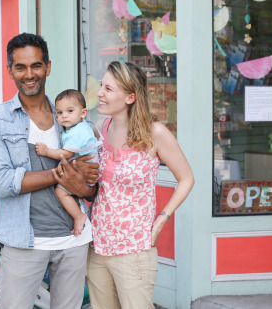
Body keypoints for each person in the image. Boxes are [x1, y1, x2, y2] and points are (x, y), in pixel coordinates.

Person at [0, 33, 99, 309]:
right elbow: (3, 182)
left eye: (36, 65)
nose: (29, 74)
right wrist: (62, 174)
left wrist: (83, 184)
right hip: (24, 241)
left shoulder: (71, 118)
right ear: (10, 70)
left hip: (72, 238)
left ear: (48, 67)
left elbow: (91, 185)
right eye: (20, 67)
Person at [84, 61, 195, 309]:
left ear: (130, 97)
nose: (100, 93)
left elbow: (187, 178)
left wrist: (162, 218)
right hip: (98, 245)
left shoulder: (155, 133)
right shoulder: (101, 128)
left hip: (134, 249)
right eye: (102, 86)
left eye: (108, 89)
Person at [35, 89, 101, 236]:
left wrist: (47, 151)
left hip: (88, 170)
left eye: (70, 111)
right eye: (59, 112)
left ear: (83, 113)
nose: (64, 116)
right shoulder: (76, 128)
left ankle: (79, 216)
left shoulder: (78, 131)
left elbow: (66, 154)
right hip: (86, 168)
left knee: (60, 192)